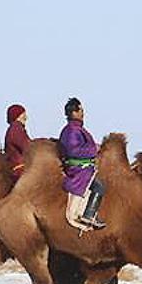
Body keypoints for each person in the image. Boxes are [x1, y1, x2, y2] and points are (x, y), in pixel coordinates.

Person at [58, 97, 106, 229]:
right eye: (81, 110)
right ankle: (88, 215)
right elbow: (73, 150)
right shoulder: (71, 131)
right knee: (99, 187)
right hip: (79, 169)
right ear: (74, 112)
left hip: (83, 166)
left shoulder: (76, 129)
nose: (83, 113)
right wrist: (94, 149)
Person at [3, 104, 31, 182]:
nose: (26, 117)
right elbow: (27, 146)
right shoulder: (16, 128)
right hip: (19, 169)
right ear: (17, 116)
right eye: (23, 114)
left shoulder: (14, 128)